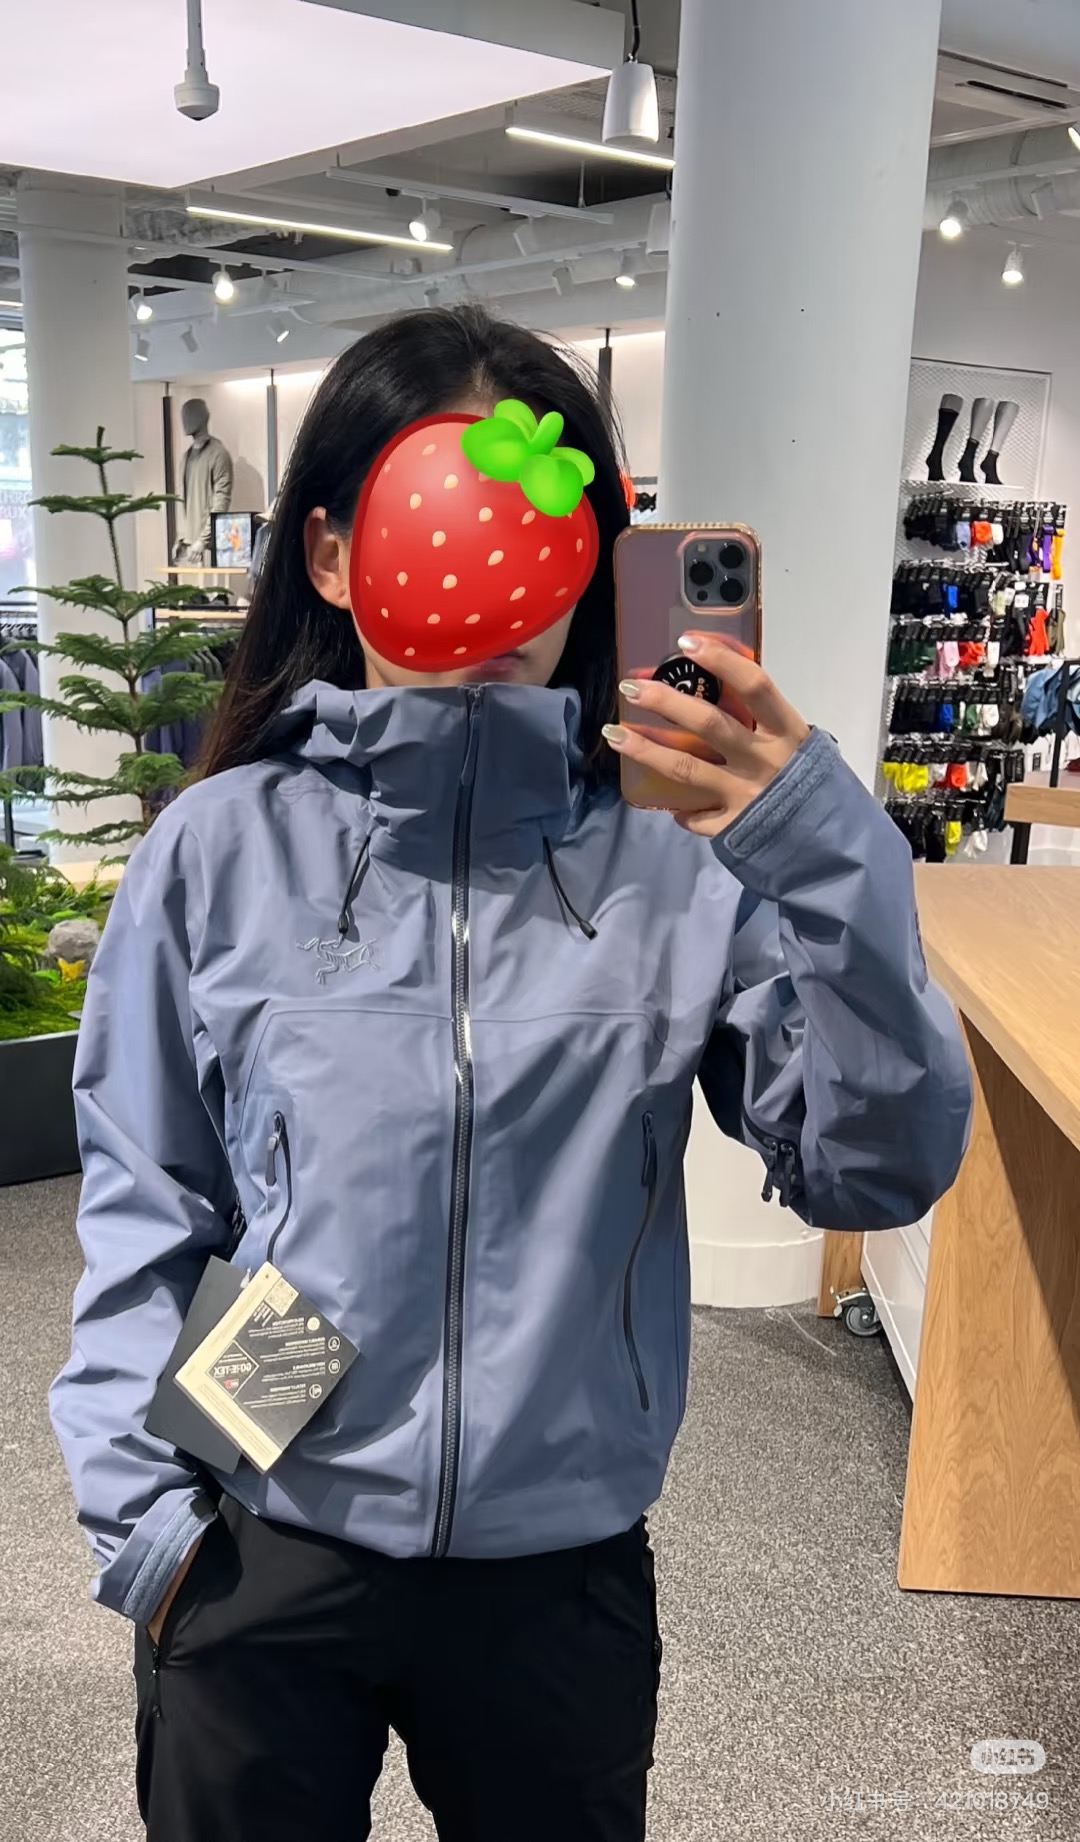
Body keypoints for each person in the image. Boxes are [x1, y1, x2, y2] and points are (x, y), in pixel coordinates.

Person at [50, 304, 972, 1842]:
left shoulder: (673, 861)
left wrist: (829, 854)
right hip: (263, 1510)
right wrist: (152, 1524)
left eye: (540, 534)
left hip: (557, 1550)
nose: (491, 583)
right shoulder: (221, 850)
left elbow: (873, 1164)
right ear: (333, 554)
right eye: (443, 521)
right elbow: (152, 1197)